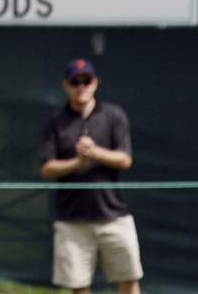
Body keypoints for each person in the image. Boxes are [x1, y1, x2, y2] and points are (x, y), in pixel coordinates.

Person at [41, 58, 144, 294]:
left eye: (86, 80)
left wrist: (95, 152)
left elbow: (125, 159)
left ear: (95, 83)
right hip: (72, 219)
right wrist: (78, 163)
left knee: (129, 279)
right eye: (75, 82)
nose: (81, 86)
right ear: (66, 85)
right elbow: (47, 168)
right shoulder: (56, 122)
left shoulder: (114, 115)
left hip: (113, 215)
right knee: (79, 287)